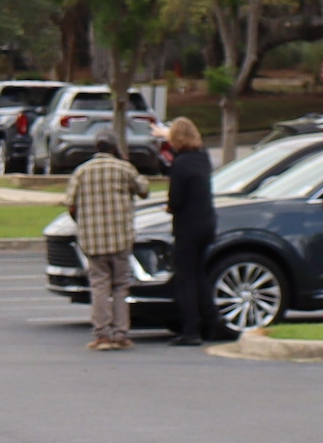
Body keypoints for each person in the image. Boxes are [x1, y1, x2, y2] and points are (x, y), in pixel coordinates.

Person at [66, 129, 149, 351]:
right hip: (120, 237)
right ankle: (121, 333)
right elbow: (144, 190)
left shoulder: (82, 171)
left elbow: (71, 204)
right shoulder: (124, 169)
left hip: (93, 239)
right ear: (114, 147)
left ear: (96, 147)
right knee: (121, 285)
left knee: (99, 285)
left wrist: (83, 222)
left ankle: (102, 334)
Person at [162, 116, 222, 345]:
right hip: (207, 223)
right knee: (199, 274)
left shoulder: (180, 164)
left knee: (185, 278)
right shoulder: (203, 158)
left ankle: (191, 330)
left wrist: (169, 207)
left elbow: (175, 200)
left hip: (187, 227)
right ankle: (213, 322)